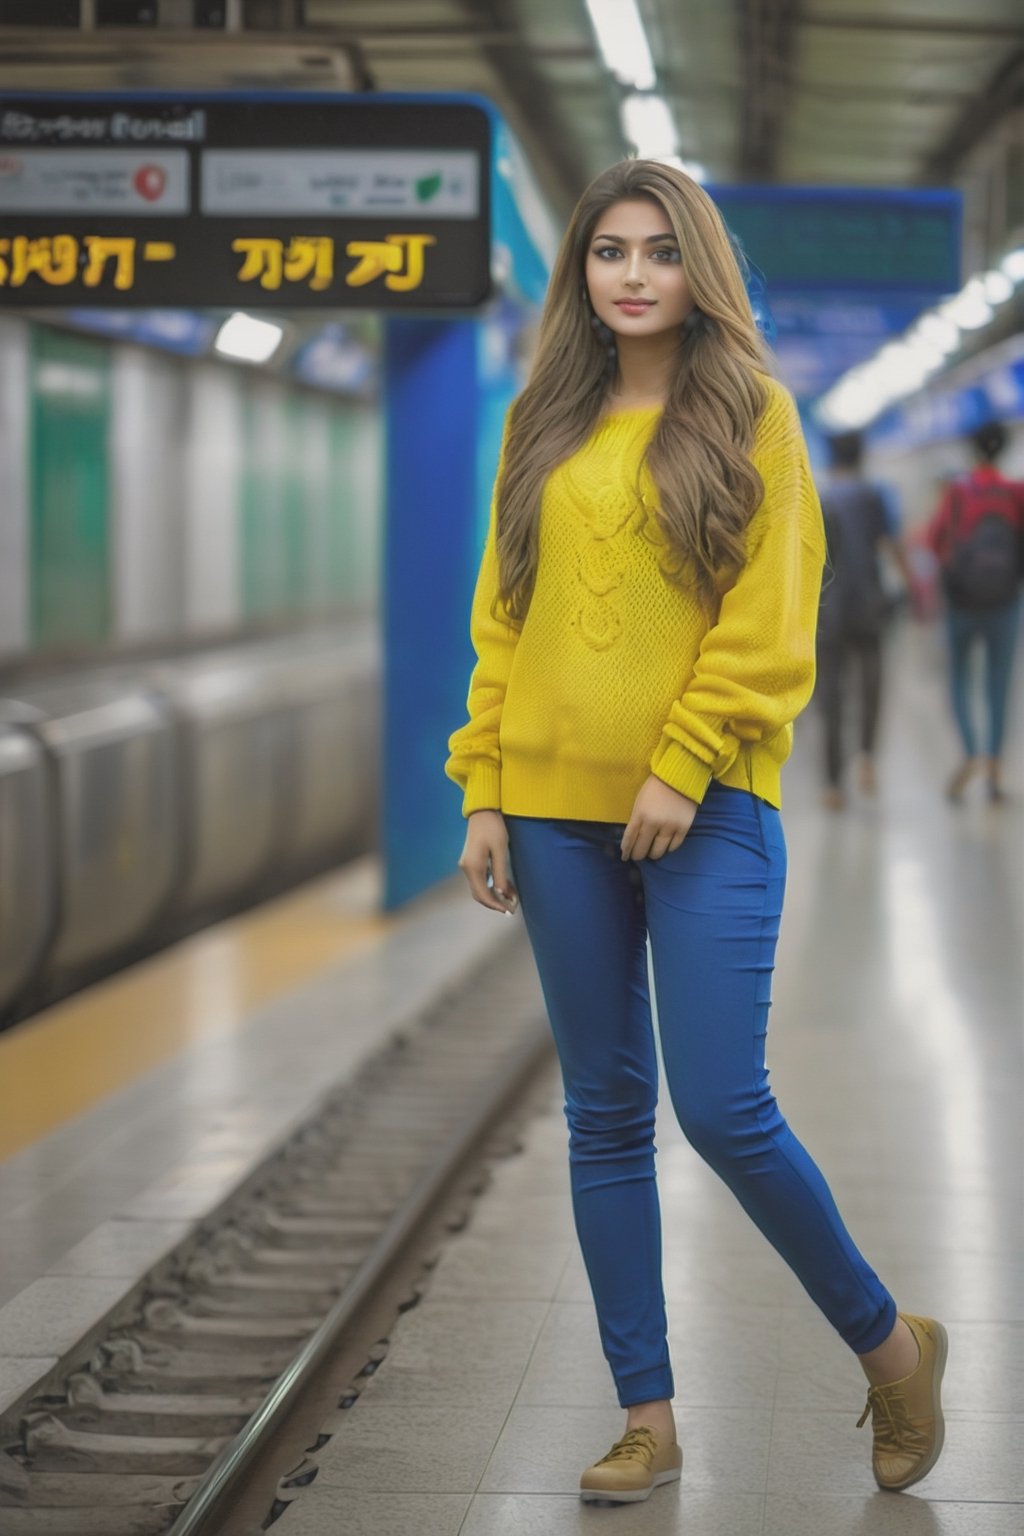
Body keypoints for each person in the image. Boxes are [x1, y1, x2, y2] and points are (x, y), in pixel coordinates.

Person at [445, 160, 947, 1506]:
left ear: (698, 269)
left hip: (710, 807)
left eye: (660, 251)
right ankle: (648, 1419)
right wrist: (483, 783)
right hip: (550, 815)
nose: (632, 274)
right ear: (582, 274)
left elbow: (772, 624)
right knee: (606, 1114)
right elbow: (507, 617)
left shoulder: (755, 416)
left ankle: (891, 1347)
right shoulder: (538, 422)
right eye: (608, 251)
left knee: (724, 1106)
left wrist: (679, 762)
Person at [922, 419, 1023, 802]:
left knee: (960, 680)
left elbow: (934, 541)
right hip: (1006, 602)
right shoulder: (1015, 492)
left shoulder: (958, 492)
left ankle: (970, 753)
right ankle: (995, 766)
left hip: (962, 601)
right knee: (998, 685)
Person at [816, 431, 914, 810]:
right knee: (871, 684)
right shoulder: (872, 496)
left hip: (828, 610)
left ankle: (832, 784)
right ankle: (867, 757)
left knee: (832, 696)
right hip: (869, 606)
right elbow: (890, 544)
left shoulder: (821, 499)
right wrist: (911, 586)